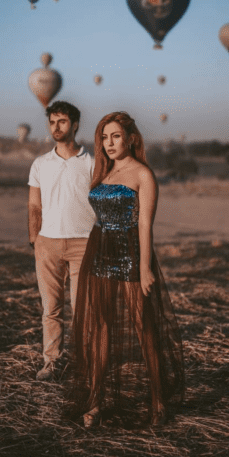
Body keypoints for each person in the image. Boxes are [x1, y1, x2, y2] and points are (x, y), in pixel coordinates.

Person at [67, 111, 184, 427]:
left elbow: (145, 224)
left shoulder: (143, 174)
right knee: (100, 329)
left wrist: (145, 268)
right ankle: (95, 402)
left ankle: (158, 401)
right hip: (100, 253)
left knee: (143, 325)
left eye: (115, 136)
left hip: (131, 254)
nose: (109, 143)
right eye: (104, 137)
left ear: (132, 138)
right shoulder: (103, 173)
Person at [28, 101, 95, 381]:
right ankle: (52, 363)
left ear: (75, 124)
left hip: (85, 244)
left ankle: (86, 364)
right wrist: (35, 239)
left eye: (62, 122)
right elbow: (34, 205)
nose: (56, 127)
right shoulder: (40, 163)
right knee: (51, 309)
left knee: (84, 310)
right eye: (52, 122)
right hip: (48, 244)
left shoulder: (92, 162)